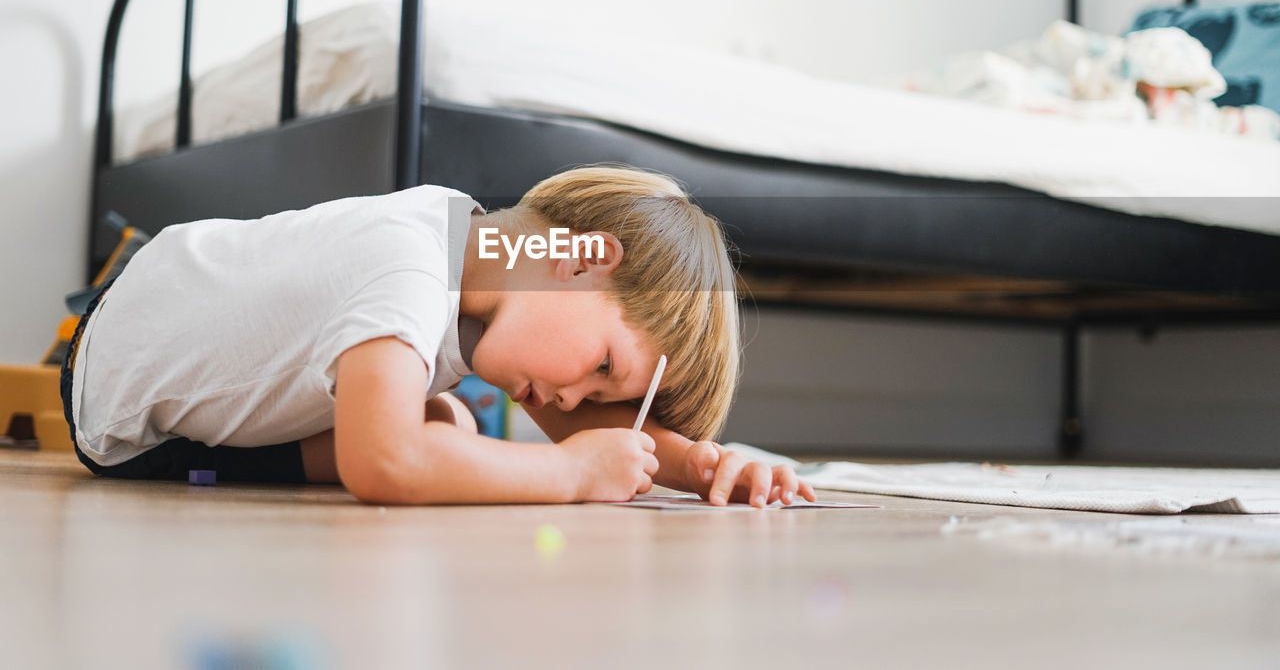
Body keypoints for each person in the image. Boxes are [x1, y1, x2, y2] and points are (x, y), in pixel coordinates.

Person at [62, 165, 815, 507]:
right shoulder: (412, 263)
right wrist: (569, 476)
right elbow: (380, 462)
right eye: (601, 366)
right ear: (583, 258)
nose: (572, 398)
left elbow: (590, 428)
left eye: (599, 391)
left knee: (444, 422)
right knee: (413, 440)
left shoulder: (484, 257)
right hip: (118, 394)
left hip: (196, 403)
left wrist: (708, 466)